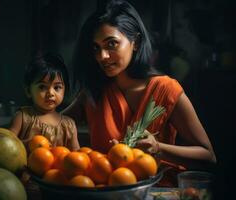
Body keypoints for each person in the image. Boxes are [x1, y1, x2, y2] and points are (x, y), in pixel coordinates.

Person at [63, 0, 216, 186]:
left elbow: (208, 158)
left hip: (158, 194)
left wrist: (158, 148)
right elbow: (54, 125)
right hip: (106, 195)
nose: (102, 56)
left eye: (111, 44)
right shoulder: (93, 93)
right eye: (96, 48)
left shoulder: (166, 89)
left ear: (135, 42)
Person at [9, 53, 80, 152]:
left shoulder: (69, 125)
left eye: (57, 87)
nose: (50, 93)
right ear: (28, 91)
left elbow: (77, 156)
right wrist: (28, 144)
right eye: (42, 87)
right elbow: (7, 145)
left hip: (56, 168)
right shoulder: (22, 117)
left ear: (65, 90)